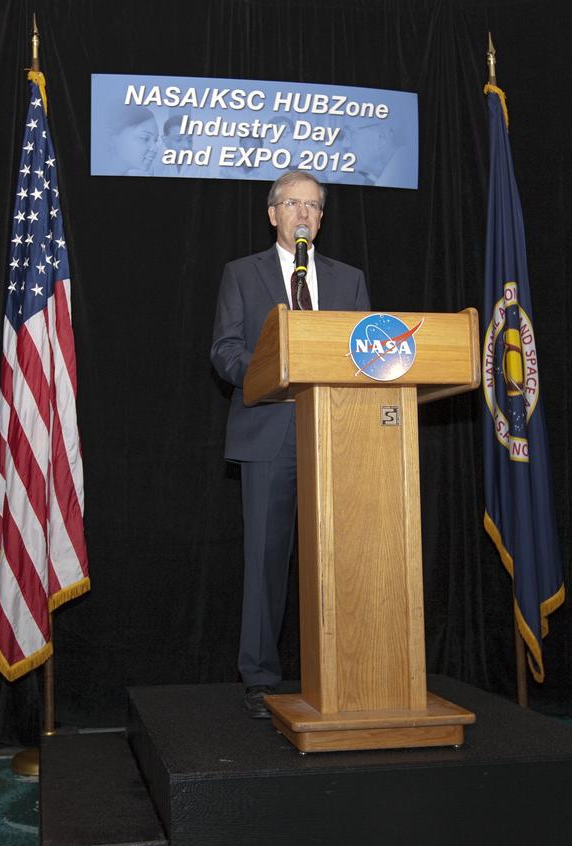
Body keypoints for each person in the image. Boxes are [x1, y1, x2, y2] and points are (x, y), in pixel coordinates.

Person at [210, 172, 370, 718]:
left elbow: (366, 354)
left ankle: (345, 669)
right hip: (270, 431)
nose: (303, 213)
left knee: (341, 557)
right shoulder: (242, 274)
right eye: (293, 204)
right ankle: (259, 677)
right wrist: (265, 369)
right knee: (266, 559)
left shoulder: (349, 280)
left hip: (337, 432)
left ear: (321, 220)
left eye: (313, 206)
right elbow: (225, 350)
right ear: (273, 214)